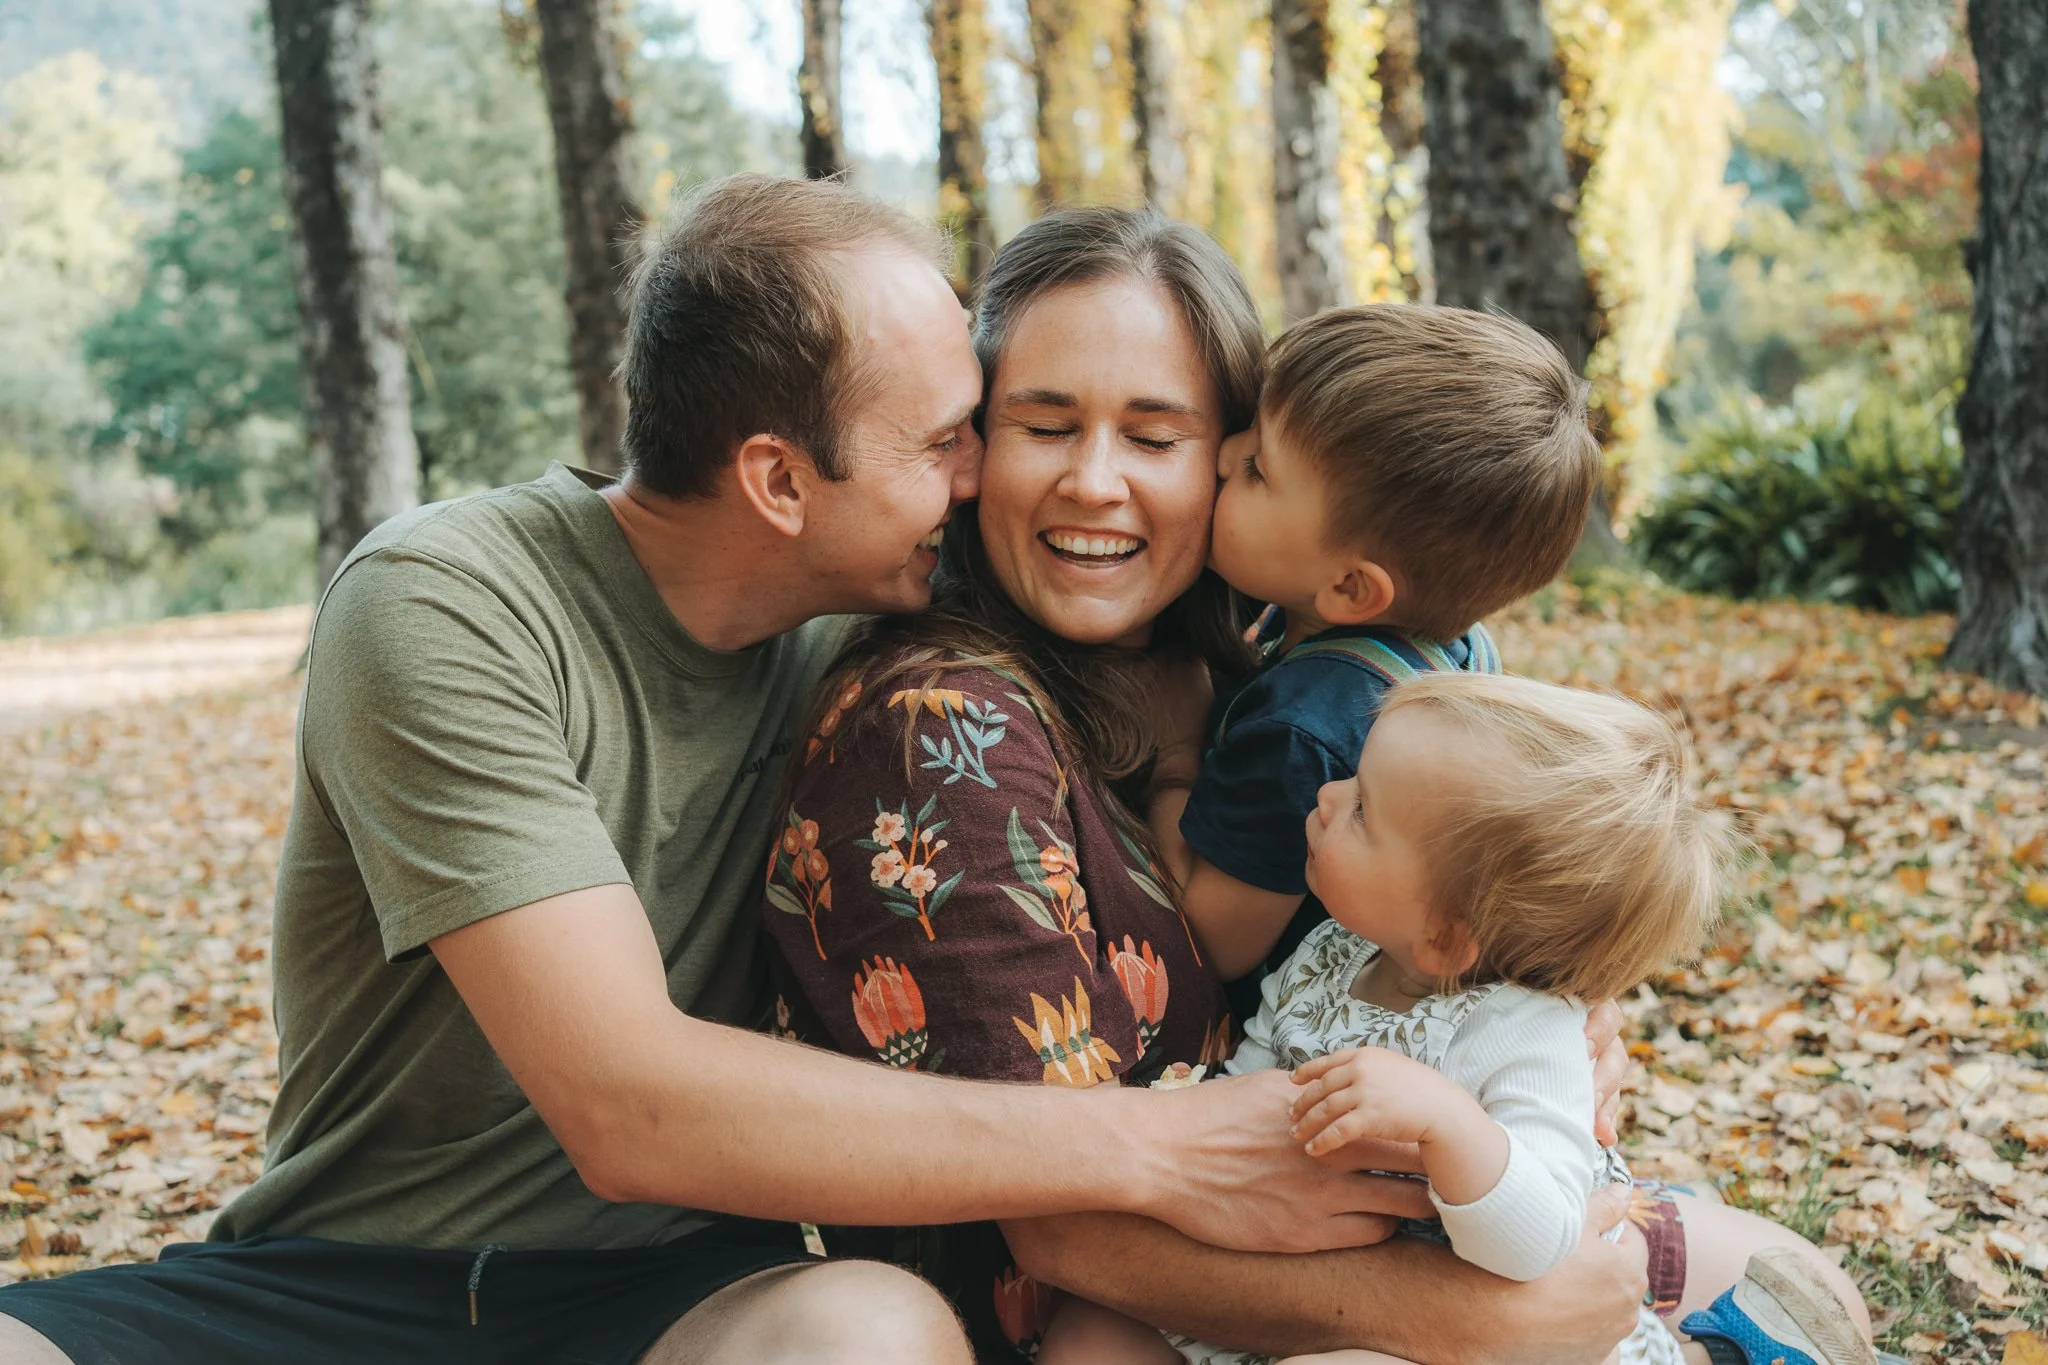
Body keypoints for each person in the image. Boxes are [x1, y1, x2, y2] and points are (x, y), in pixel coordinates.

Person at [0, 177, 1417, 1365]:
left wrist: (1503, 976)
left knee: (872, 1334)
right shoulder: (450, 602)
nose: (994, 478)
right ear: (779, 483)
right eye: (951, 440)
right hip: (343, 1287)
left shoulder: (905, 641)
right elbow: (629, 1106)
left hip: (677, 1296)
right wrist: (1156, 1149)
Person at [760, 207, 1649, 1363]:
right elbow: (1061, 1222)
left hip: (1353, 1229)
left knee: (1775, 1281)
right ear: (972, 441)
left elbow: (1472, 855)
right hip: (1097, 1318)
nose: (1093, 482)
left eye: (1155, 436)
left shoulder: (1248, 649)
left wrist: (1541, 1001)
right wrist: (1481, 1320)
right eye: (1043, 424)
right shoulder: (942, 732)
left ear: (1230, 459)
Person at [1039, 672, 1878, 1365]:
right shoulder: (1335, 952)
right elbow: (1252, 1075)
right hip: (1298, 1271)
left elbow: (1541, 1240)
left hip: (1475, 1326)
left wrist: (1450, 1127)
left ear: (1443, 936)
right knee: (1085, 1337)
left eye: (1363, 808)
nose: (1328, 795)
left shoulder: (1524, 1034)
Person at [1151, 305, 1599, 1008]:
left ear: (1351, 587)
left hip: (1293, 1045)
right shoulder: (1458, 647)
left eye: (1259, 469)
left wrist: (1169, 763)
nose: (1220, 453)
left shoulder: (1301, 733)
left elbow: (1213, 937)